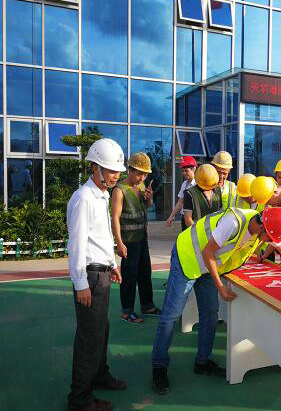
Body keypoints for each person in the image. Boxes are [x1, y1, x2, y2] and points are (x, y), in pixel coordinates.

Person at [151, 206, 281, 394]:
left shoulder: (262, 226)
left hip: (209, 266)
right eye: (269, 238)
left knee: (210, 314)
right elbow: (207, 252)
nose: (269, 243)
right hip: (188, 258)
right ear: (262, 227)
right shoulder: (232, 223)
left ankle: (203, 362)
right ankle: (159, 366)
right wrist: (221, 287)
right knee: (171, 316)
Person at [66, 138, 127, 411]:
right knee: (89, 338)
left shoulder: (101, 196)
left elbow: (100, 238)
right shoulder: (84, 198)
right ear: (95, 168)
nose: (115, 175)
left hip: (100, 274)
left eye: (117, 171)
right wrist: (80, 283)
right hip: (89, 277)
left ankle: (100, 375)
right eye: (110, 169)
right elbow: (77, 245)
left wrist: (112, 263)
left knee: (101, 331)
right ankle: (79, 399)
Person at [111, 152, 160, 324]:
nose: (142, 178)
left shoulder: (141, 187)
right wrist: (119, 242)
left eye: (145, 175)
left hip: (142, 237)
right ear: (129, 170)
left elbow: (145, 208)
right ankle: (127, 311)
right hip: (128, 240)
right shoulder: (119, 191)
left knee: (145, 272)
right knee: (129, 276)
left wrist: (150, 199)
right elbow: (115, 218)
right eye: (139, 174)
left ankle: (148, 306)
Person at [166, 156, 197, 231]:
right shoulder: (184, 184)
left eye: (186, 171)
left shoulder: (199, 184)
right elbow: (180, 202)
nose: (184, 173)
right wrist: (171, 216)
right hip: (184, 218)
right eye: (182, 171)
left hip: (195, 218)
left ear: (193, 169)